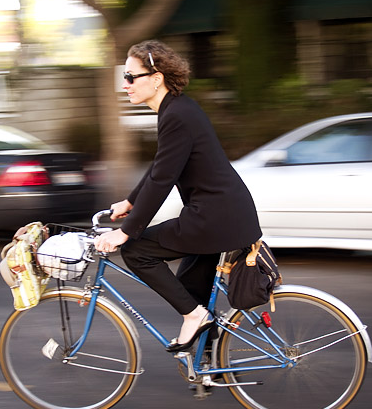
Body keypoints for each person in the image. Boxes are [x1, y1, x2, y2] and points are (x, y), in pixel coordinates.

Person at [94, 40, 262, 352]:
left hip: (214, 218)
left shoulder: (176, 115)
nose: (125, 84)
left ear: (155, 78)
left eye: (131, 77)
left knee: (136, 251)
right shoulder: (177, 108)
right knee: (188, 288)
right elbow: (163, 165)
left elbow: (162, 180)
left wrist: (127, 232)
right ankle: (210, 367)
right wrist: (131, 201)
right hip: (223, 213)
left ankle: (195, 318)